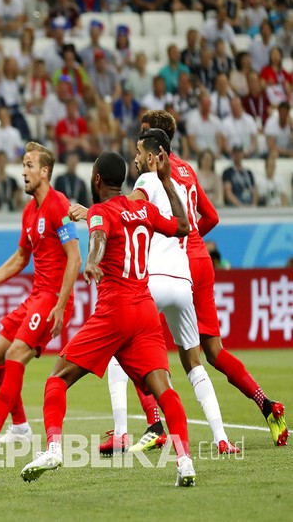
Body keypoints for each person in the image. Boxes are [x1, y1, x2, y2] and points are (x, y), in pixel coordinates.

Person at [21, 150, 197, 487]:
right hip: (145, 311)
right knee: (164, 390)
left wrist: (92, 260)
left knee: (56, 379)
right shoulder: (144, 208)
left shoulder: (101, 211)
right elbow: (184, 226)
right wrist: (166, 181)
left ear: (97, 179)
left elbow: (99, 235)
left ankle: (55, 449)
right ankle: (185, 461)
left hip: (115, 310)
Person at [138, 110, 287, 447]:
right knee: (215, 352)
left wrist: (175, 242)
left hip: (177, 263)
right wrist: (192, 239)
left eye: (144, 134)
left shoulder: (155, 171)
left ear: (155, 141)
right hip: (202, 258)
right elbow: (212, 216)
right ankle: (266, 404)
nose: (139, 144)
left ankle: (156, 424)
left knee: (140, 339)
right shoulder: (188, 169)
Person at [97, 128, 238, 454]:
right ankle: (221, 438)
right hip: (183, 283)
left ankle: (121, 433)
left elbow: (127, 209)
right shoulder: (178, 183)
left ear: (152, 155)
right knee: (194, 363)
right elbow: (192, 223)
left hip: (155, 280)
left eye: (138, 151)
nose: (134, 157)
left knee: (120, 350)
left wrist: (92, 213)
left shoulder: (147, 181)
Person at [0, 143, 81, 449]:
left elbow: (75, 258)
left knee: (16, 354)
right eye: (23, 166)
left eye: (29, 166)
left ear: (44, 172)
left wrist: (60, 304)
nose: (23, 172)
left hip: (52, 298)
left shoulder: (59, 204)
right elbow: (20, 258)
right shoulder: (29, 212)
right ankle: (20, 427)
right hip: (36, 296)